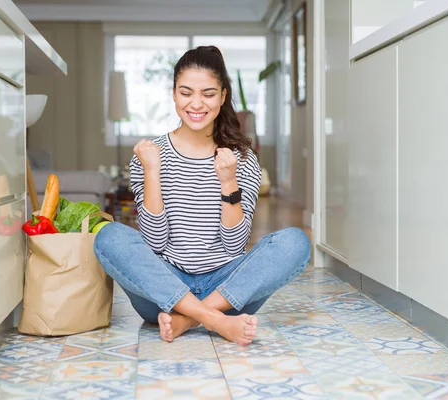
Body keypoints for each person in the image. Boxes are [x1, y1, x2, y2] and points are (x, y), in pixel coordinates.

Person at [94, 45, 311, 346]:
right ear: (173, 94)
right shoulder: (149, 155)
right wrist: (153, 171)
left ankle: (191, 318)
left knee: (295, 243)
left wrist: (228, 181)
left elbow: (234, 244)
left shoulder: (242, 159)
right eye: (186, 93)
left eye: (208, 94)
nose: (196, 104)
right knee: (109, 237)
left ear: (222, 97)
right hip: (164, 289)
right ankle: (215, 321)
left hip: (228, 289)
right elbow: (155, 242)